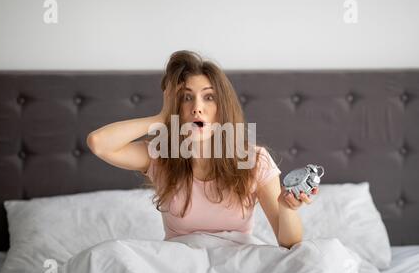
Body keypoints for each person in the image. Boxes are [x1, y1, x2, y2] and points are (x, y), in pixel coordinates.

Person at [86, 50, 318, 249]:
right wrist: (162, 116)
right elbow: (99, 143)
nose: (197, 108)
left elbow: (289, 245)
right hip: (178, 267)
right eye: (187, 98)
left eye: (208, 97)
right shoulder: (161, 154)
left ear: (223, 107)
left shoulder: (254, 159)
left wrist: (286, 208)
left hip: (237, 265)